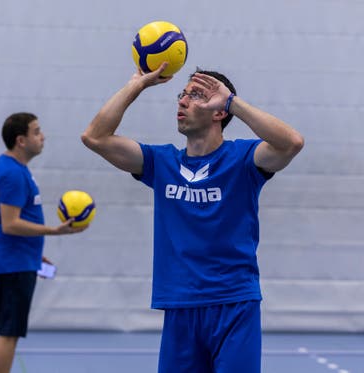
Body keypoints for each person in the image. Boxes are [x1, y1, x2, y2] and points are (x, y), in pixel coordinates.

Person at [81, 64, 304, 373]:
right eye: (183, 94)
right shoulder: (161, 163)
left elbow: (291, 142)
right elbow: (94, 137)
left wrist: (233, 103)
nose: (183, 102)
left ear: (218, 112)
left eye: (197, 96)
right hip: (180, 307)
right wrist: (135, 86)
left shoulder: (243, 160)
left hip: (234, 304)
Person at [0, 112, 87, 373]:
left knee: (9, 333)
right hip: (11, 265)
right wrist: (54, 230)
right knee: (9, 333)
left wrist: (34, 255)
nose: (43, 136)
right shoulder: (11, 174)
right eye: (36, 132)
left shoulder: (15, 169)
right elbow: (10, 224)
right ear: (21, 141)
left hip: (18, 261)